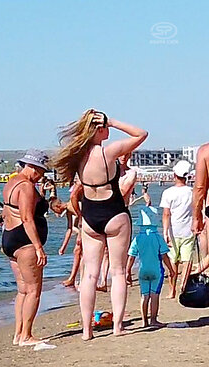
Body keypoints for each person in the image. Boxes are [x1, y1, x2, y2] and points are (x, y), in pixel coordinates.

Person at [53, 110, 147, 339]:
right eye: (105, 126)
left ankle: (87, 330)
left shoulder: (76, 155)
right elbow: (141, 134)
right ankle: (117, 327)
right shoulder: (108, 152)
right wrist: (114, 122)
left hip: (90, 217)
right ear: (100, 128)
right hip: (114, 213)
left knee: (89, 275)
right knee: (117, 272)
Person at [1, 151, 51, 346]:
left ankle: (18, 333)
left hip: (10, 237)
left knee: (22, 290)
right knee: (33, 290)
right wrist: (39, 247)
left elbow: (8, 211)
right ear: (31, 167)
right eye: (39, 171)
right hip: (24, 240)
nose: (41, 175)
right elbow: (27, 218)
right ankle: (26, 335)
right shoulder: (27, 187)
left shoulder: (11, 184)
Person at [128, 196, 175, 328]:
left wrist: (127, 271)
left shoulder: (137, 239)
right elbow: (164, 256)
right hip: (156, 270)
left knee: (144, 295)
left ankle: (145, 321)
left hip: (143, 270)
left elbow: (131, 256)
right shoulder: (158, 238)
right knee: (154, 295)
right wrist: (171, 270)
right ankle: (154, 320)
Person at [161, 159, 196, 299]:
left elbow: (166, 214)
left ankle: (172, 290)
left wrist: (164, 232)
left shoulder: (168, 192)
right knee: (187, 260)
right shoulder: (192, 191)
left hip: (173, 231)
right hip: (189, 229)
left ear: (174, 175)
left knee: (172, 261)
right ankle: (183, 286)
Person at [53, 197, 82, 287]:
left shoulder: (73, 204)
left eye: (54, 211)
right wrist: (63, 247)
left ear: (58, 206)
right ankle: (73, 278)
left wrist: (80, 235)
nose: (55, 214)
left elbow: (83, 218)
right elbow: (69, 229)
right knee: (78, 252)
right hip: (83, 228)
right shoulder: (69, 211)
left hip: (88, 226)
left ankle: (74, 278)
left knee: (78, 252)